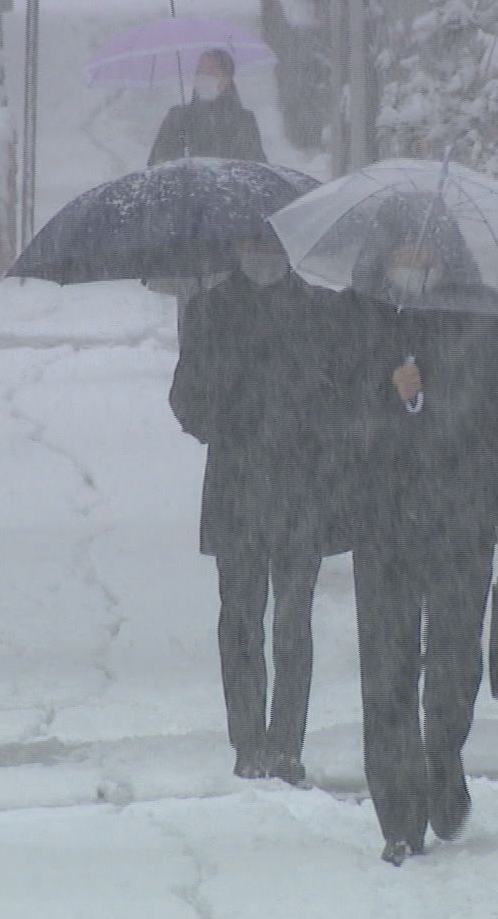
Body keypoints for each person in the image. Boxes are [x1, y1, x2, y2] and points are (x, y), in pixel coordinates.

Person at [337, 198, 498, 866]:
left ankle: (442, 761)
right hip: (384, 520)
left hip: (462, 516)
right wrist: (387, 396)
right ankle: (399, 809)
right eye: (401, 249)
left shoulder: (481, 313)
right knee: (387, 669)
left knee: (453, 663)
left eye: (424, 249)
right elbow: (333, 416)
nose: (412, 262)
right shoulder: (358, 315)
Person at [167, 226, 349, 786]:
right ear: (238, 251)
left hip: (304, 487)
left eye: (273, 248)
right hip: (238, 487)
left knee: (293, 621)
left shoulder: (323, 313)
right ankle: (248, 743)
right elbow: (185, 397)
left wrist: (313, 424)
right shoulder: (210, 312)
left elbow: (345, 393)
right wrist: (224, 412)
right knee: (240, 619)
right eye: (253, 247)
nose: (263, 258)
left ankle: (287, 743)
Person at [148, 48, 268, 166]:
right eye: (200, 71)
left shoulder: (244, 119)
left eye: (211, 72)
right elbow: (158, 161)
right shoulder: (178, 116)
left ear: (227, 79)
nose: (204, 77)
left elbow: (256, 164)